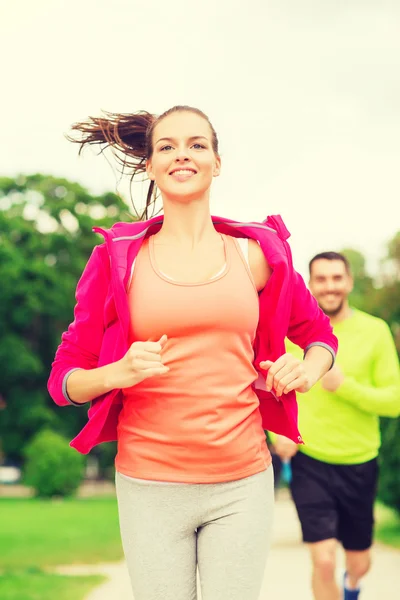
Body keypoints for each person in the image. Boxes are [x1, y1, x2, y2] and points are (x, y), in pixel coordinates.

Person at [48, 106, 338, 600]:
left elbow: (320, 336)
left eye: (197, 144)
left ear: (217, 163)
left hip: (241, 479)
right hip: (149, 482)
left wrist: (307, 370)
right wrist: (114, 373)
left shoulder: (255, 256)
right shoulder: (119, 260)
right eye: (167, 146)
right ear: (150, 165)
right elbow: (64, 379)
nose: (183, 154)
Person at [272, 251, 400, 600]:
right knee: (324, 559)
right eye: (321, 279)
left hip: (359, 461)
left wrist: (344, 385)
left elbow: (394, 400)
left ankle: (353, 585)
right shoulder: (289, 333)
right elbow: (269, 389)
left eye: (336, 278)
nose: (329, 287)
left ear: (349, 282)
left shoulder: (375, 331)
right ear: (310, 285)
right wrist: (277, 435)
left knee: (358, 562)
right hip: (309, 460)